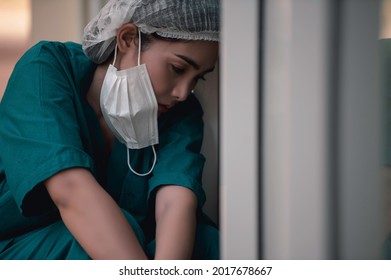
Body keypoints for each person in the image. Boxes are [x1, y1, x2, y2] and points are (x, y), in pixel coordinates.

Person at [0, 0, 219, 260]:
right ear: (127, 39)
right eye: (178, 69)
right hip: (20, 242)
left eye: (197, 78)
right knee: (91, 246)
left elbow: (175, 202)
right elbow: (71, 190)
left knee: (208, 244)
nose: (183, 93)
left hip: (131, 241)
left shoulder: (181, 109)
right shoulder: (47, 68)